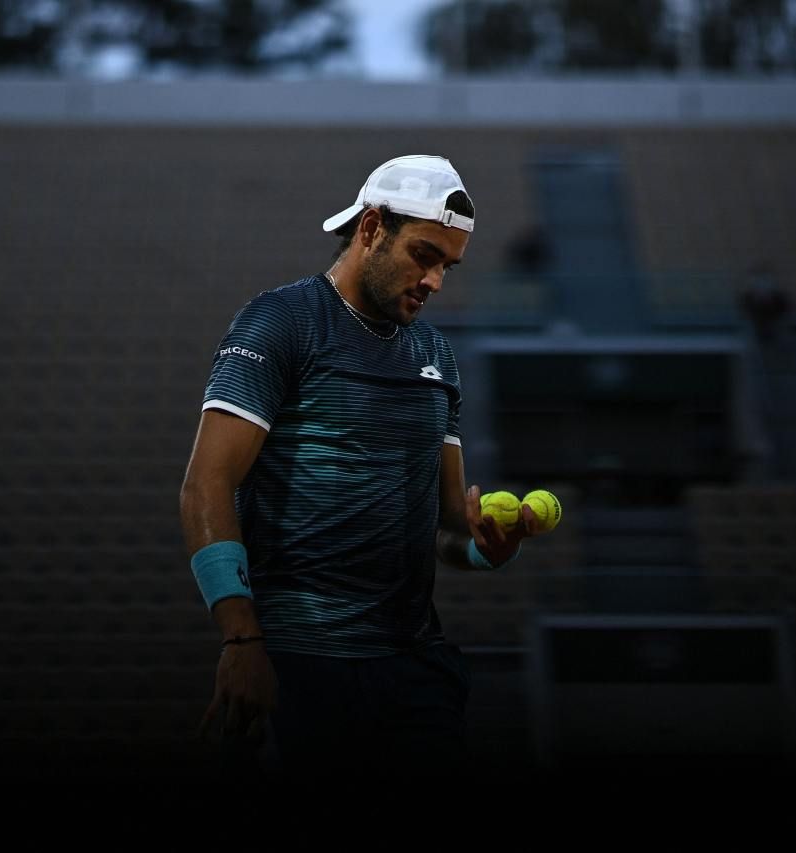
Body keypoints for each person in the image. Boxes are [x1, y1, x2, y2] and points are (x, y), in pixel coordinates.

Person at [179, 154, 543, 786]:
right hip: (300, 664)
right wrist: (240, 641)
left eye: (447, 267)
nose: (434, 282)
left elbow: (449, 530)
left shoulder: (434, 353)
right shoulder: (279, 322)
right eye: (424, 255)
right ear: (372, 228)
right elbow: (206, 484)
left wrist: (488, 548)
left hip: (416, 668)